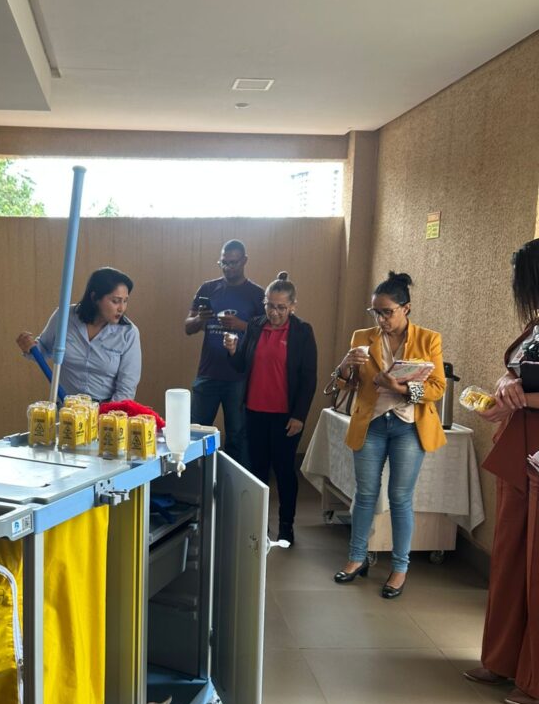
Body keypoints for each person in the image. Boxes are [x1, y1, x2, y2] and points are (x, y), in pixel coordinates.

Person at [332, 272, 446, 598]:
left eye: (387, 312)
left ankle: (399, 567)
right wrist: (345, 365)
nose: (381, 319)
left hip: (408, 426)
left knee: (400, 497)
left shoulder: (428, 339)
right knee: (365, 493)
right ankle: (356, 558)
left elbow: (437, 387)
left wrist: (400, 387)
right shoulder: (362, 337)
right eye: (376, 312)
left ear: (405, 308)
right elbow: (345, 384)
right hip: (371, 423)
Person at [463, 238, 539, 704]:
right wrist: (505, 385)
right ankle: (502, 659)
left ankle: (534, 679)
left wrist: (522, 399)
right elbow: (513, 370)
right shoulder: (535, 326)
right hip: (517, 444)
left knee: (538, 566)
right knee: (509, 555)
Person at [223, 272, 317, 544]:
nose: (274, 312)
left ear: (293, 306)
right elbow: (241, 366)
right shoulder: (255, 325)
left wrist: (299, 416)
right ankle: (259, 524)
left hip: (286, 416)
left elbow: (309, 378)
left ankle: (286, 525)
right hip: (254, 411)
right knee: (257, 471)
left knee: (285, 471)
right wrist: (232, 350)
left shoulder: (302, 331)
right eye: (270, 305)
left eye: (281, 307)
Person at [185, 239, 265, 465]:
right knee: (195, 433)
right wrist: (200, 319)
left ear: (244, 261)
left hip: (239, 376)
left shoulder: (257, 294)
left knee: (237, 435)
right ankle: (193, 480)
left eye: (234, 263)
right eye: (224, 263)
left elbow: (266, 333)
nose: (228, 268)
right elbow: (188, 327)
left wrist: (241, 325)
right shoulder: (208, 289)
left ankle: (233, 483)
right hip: (207, 373)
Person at [16, 266, 141, 402]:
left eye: (125, 301)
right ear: (94, 297)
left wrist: (104, 413)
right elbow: (44, 349)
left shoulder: (129, 333)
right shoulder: (64, 317)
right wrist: (29, 347)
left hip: (106, 410)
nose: (121, 308)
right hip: (66, 407)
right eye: (115, 301)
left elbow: (126, 389)